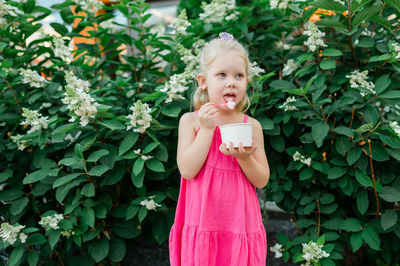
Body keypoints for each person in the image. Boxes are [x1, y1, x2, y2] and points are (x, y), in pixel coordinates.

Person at [169, 32, 270, 266]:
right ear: (203, 81)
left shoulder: (251, 126)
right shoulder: (191, 121)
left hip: (240, 226)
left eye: (239, 75)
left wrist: (245, 158)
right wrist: (206, 130)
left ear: (246, 82)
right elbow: (187, 170)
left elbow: (262, 179)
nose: (231, 81)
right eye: (221, 75)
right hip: (203, 223)